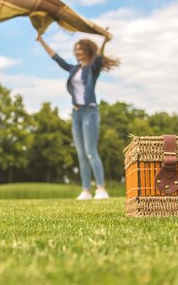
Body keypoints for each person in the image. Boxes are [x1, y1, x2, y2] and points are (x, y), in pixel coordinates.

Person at [37, 33, 120, 200]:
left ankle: (101, 189)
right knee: (81, 153)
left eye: (80, 49)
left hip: (90, 111)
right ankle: (86, 191)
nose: (77, 52)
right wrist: (41, 41)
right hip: (76, 114)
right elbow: (57, 58)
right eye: (75, 49)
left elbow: (98, 58)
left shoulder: (92, 69)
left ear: (87, 50)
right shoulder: (74, 69)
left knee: (91, 151)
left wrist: (104, 42)